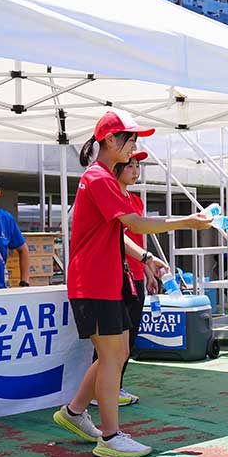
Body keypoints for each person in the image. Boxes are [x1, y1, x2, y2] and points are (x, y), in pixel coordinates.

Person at [53, 110, 213, 457]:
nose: (135, 149)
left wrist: (145, 258)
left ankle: (75, 412)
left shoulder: (103, 179)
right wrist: (187, 221)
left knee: (117, 354)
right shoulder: (99, 178)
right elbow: (136, 224)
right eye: (131, 140)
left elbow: (121, 232)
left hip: (106, 282)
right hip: (93, 283)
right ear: (110, 141)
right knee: (112, 358)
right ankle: (110, 438)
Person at [88, 151, 156, 408]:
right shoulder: (103, 190)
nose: (135, 169)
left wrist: (147, 263)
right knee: (110, 347)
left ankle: (110, 389)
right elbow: (124, 234)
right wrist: (186, 222)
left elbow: (139, 234)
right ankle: (100, 397)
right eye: (130, 164)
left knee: (125, 343)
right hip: (112, 277)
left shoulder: (135, 201)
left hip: (133, 275)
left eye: (138, 165)